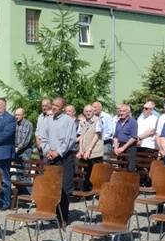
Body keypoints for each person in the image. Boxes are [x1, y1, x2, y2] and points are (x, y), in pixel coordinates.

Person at [41, 96, 77, 227]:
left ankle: (63, 217)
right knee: (52, 187)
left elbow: (69, 140)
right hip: (51, 158)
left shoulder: (68, 121)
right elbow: (43, 138)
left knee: (64, 188)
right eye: (53, 105)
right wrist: (47, 151)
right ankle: (53, 214)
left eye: (57, 105)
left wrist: (58, 152)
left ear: (63, 107)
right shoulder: (48, 121)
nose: (54, 107)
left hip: (64, 158)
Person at [77, 104, 104, 190]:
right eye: (86, 111)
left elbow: (96, 136)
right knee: (87, 172)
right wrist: (80, 149)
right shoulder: (82, 122)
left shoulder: (98, 120)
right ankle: (88, 190)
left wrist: (89, 150)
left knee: (96, 173)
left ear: (93, 112)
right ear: (84, 113)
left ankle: (98, 190)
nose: (88, 113)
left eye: (90, 111)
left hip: (95, 151)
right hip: (85, 151)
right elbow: (81, 136)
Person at [13, 107, 34, 195]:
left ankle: (28, 194)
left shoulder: (28, 124)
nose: (17, 116)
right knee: (18, 172)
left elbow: (26, 139)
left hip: (25, 151)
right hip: (16, 151)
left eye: (18, 115)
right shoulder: (15, 124)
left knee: (26, 172)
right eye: (16, 115)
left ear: (23, 115)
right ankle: (20, 193)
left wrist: (18, 148)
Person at [113, 104, 138, 172]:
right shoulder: (118, 122)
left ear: (128, 112)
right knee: (121, 167)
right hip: (120, 146)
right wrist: (116, 147)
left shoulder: (133, 122)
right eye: (120, 111)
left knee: (130, 168)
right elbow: (115, 136)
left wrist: (123, 148)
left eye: (123, 111)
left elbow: (134, 137)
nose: (121, 113)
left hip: (130, 147)